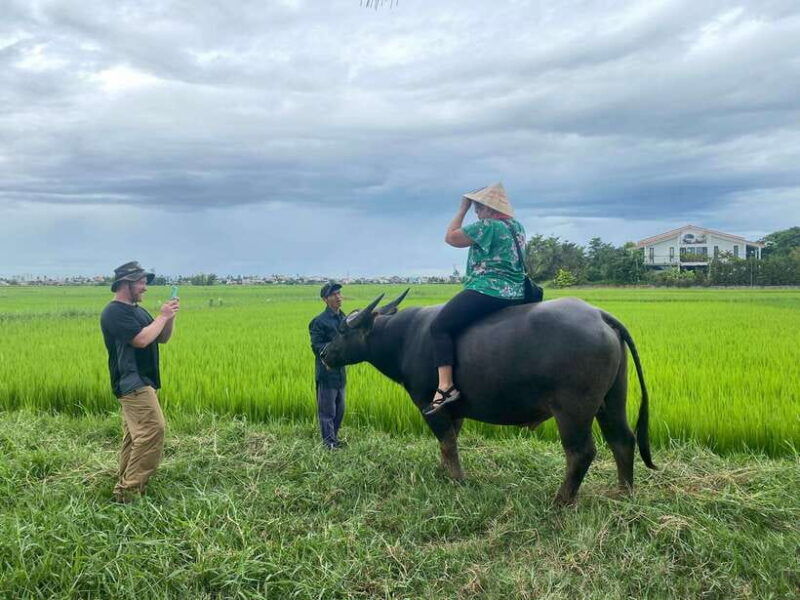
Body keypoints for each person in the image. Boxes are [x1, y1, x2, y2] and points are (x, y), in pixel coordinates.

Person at [424, 183, 526, 415]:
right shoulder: (517, 226)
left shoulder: (487, 226)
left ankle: (445, 386)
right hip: (516, 291)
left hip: (489, 289)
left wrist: (461, 209)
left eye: (478, 208)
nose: (476, 212)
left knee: (439, 326)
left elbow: (451, 237)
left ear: (490, 209)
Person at [100, 261, 179, 503]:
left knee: (135, 436)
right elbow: (141, 340)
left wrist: (169, 317)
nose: (145, 287)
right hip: (132, 382)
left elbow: (161, 338)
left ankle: (125, 482)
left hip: (145, 381)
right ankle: (130, 492)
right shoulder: (114, 311)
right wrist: (161, 316)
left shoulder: (138, 311)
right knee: (153, 430)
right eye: (142, 282)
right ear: (126, 283)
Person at [309, 282, 348, 449]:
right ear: (325, 299)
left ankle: (334, 439)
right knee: (327, 412)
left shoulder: (343, 318)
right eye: (334, 295)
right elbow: (317, 347)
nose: (338, 297)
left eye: (339, 293)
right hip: (327, 372)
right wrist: (334, 351)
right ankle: (329, 444)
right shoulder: (319, 322)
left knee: (340, 410)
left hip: (340, 373)